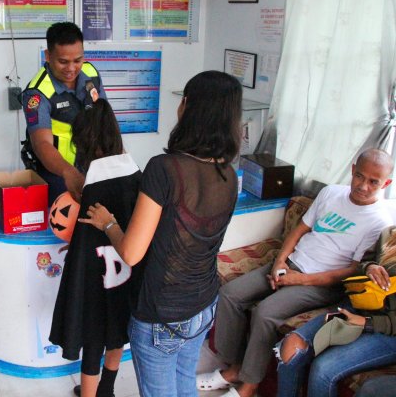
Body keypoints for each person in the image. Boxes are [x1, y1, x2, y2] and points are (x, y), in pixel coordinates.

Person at [79, 71, 242, 397]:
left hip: (162, 316)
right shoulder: (229, 174)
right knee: (184, 386)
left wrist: (109, 224)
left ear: (187, 107)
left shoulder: (164, 169)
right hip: (205, 304)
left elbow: (131, 253)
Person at [197, 148, 393, 397]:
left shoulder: (378, 221)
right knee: (229, 295)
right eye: (360, 176)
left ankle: (249, 384)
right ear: (353, 170)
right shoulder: (331, 193)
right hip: (291, 263)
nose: (363, 186)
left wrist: (299, 279)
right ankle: (234, 366)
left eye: (373, 182)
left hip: (320, 284)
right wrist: (280, 261)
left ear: (385, 183)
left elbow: (349, 272)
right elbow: (300, 229)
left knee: (265, 313)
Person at [50, 99, 142, 397]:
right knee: (117, 334)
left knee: (92, 343)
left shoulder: (93, 188)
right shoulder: (135, 174)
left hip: (97, 279)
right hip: (126, 276)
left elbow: (84, 247)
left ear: (85, 143)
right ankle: (107, 391)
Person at [275, 226, 396, 397]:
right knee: (292, 347)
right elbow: (360, 272)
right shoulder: (389, 234)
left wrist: (367, 323)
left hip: (388, 331)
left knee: (323, 369)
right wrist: (369, 267)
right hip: (359, 306)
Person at [21, 21, 107, 204]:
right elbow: (41, 143)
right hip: (58, 173)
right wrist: (69, 173)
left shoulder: (91, 73)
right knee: (63, 227)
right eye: (63, 62)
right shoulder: (37, 93)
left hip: (95, 167)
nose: (71, 68)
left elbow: (105, 120)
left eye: (78, 60)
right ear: (48, 56)